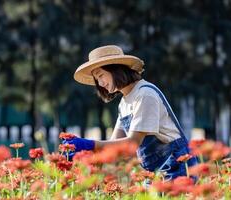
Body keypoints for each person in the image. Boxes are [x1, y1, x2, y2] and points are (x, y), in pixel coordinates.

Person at [63, 45, 198, 181]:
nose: (100, 83)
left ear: (115, 69)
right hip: (154, 172)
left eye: (101, 75)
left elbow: (132, 143)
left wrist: (89, 144)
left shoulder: (145, 94)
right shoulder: (124, 103)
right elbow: (115, 146)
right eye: (97, 79)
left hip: (176, 167)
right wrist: (85, 156)